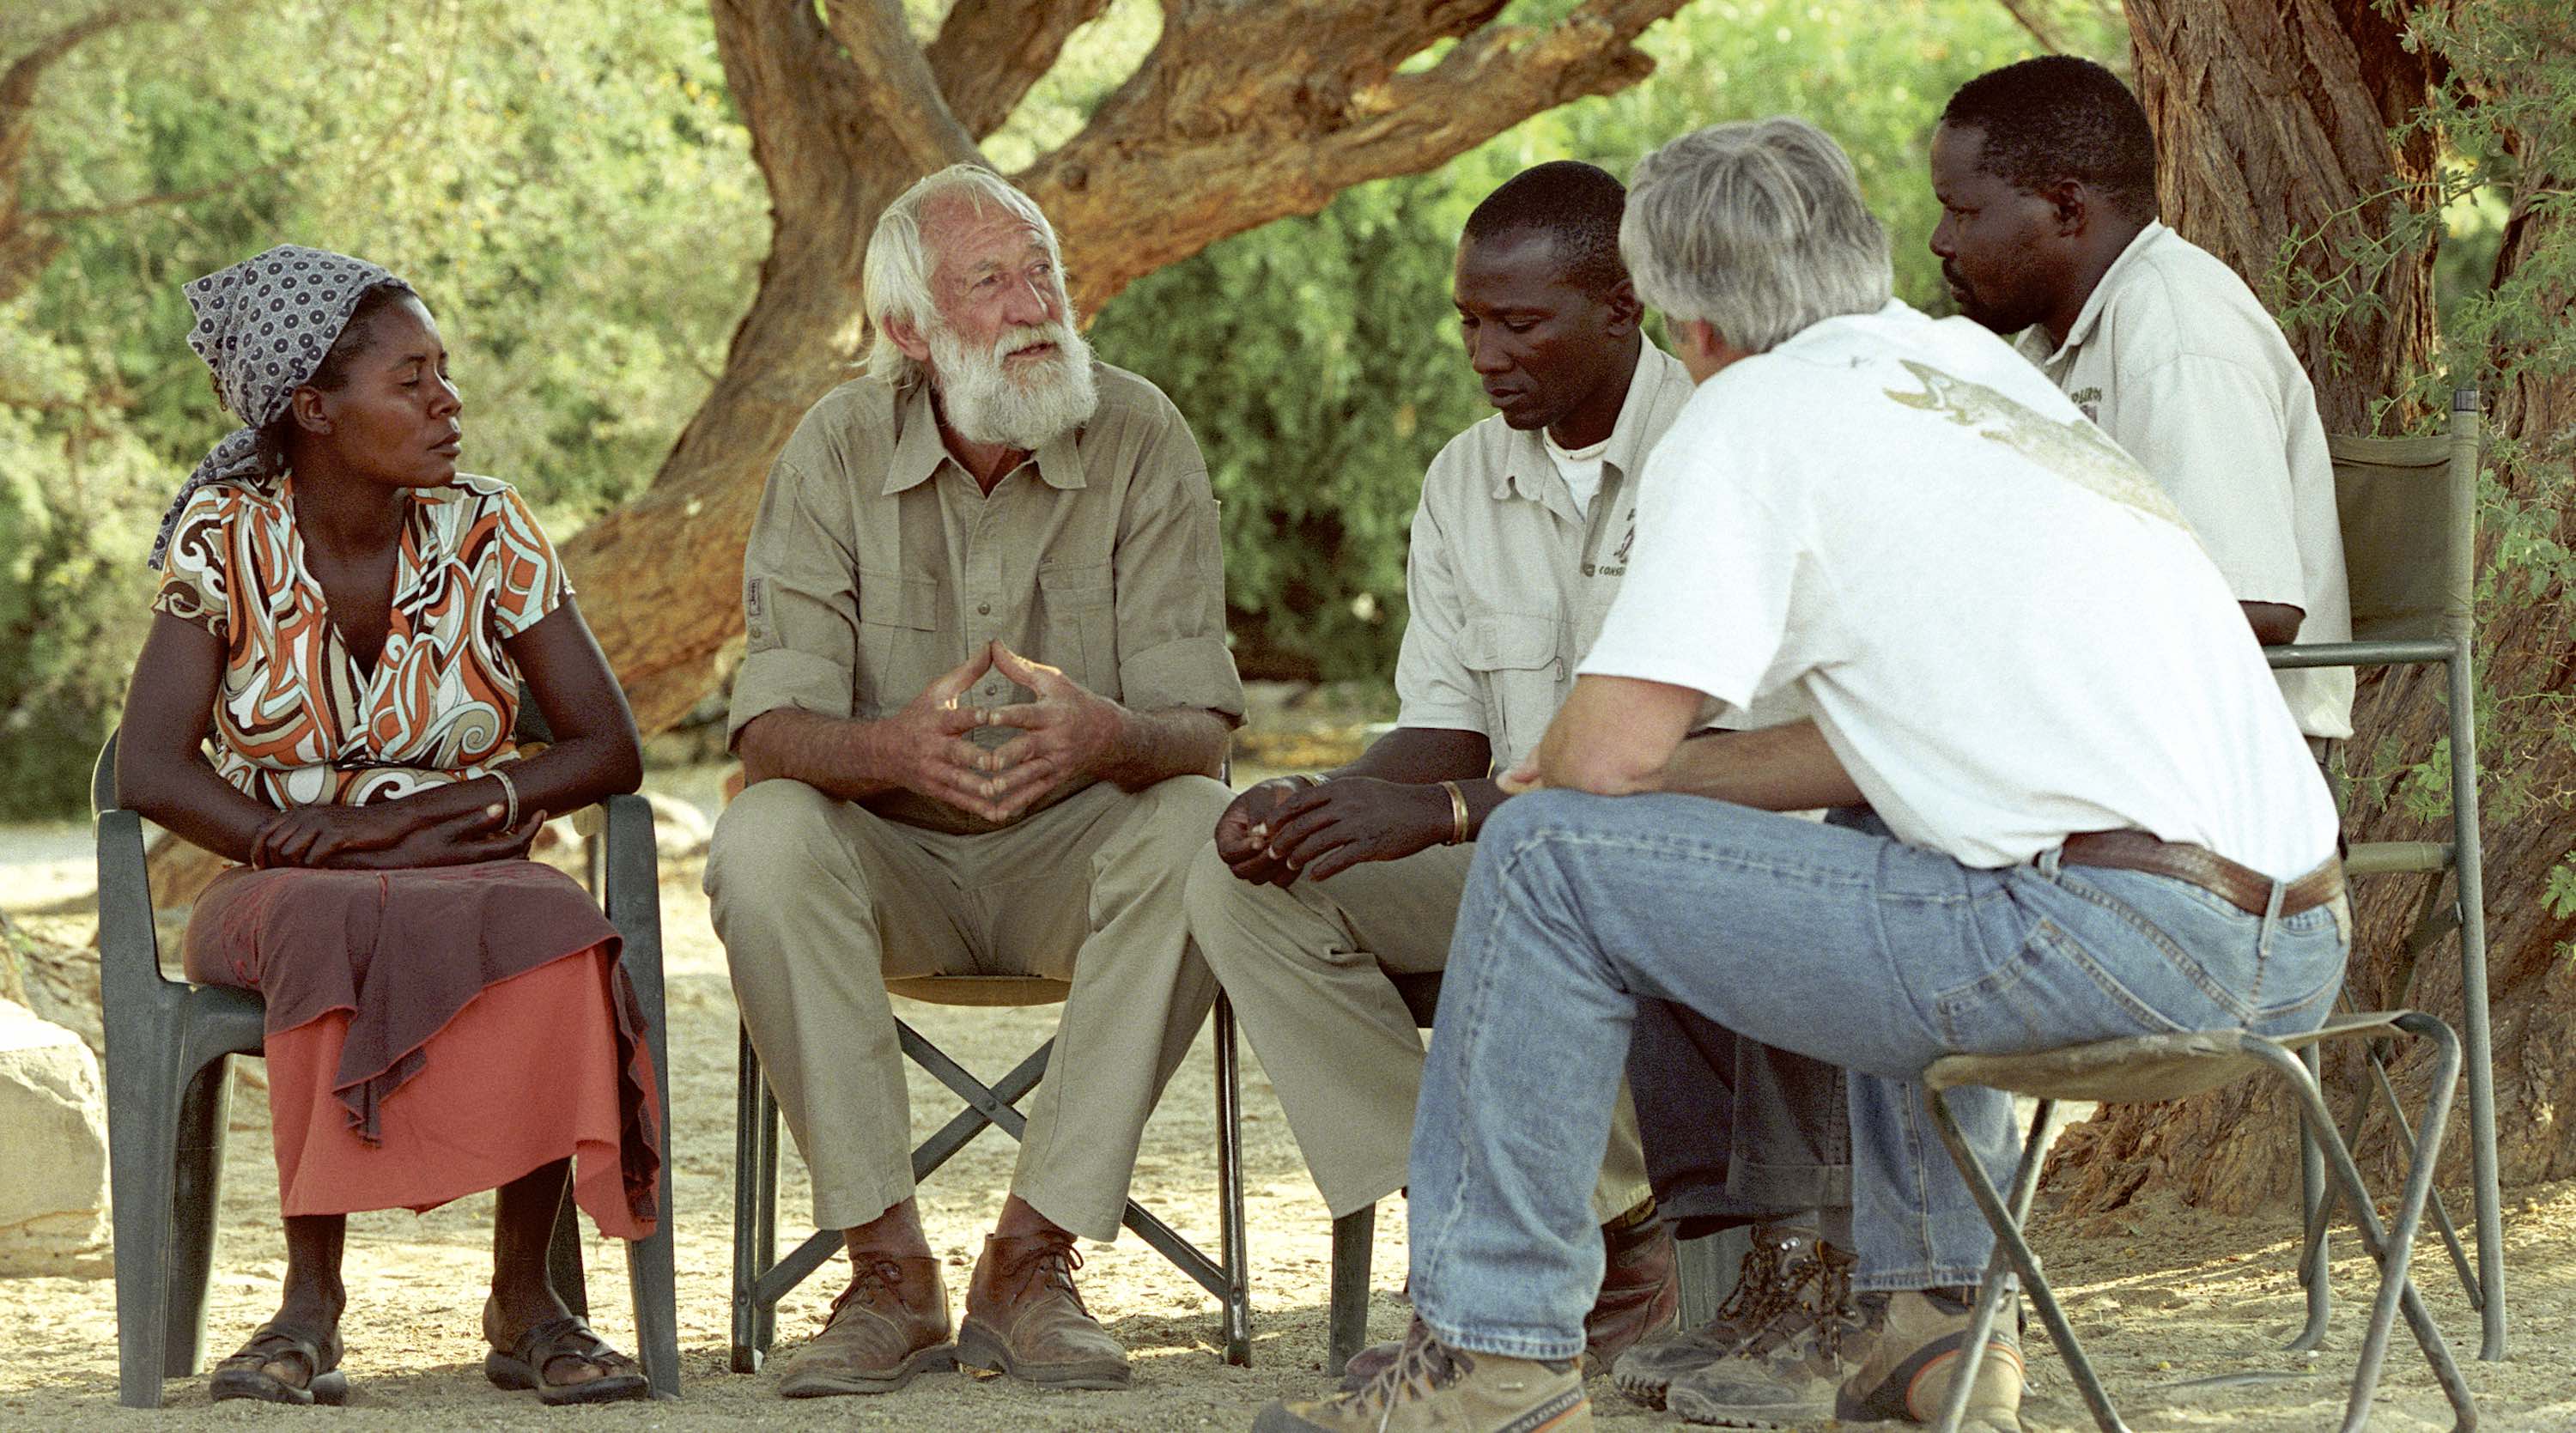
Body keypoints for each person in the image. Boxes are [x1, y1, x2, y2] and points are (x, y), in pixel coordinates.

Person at [1255, 118, 2346, 1433]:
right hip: (2292, 938)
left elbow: (1602, 762)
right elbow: (1863, 747)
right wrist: (1653, 783)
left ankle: (1494, 1358)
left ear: (1680, 322)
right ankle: (1938, 1330)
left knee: (1547, 862)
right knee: (1898, 813)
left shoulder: (1752, 413)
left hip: (2108, 937)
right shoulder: (1979, 378)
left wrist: (1555, 786)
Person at [702, 164, 1242, 1398]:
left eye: (1041, 267)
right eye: (989, 280)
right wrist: (889, 751)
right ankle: (889, 1272)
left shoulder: (1142, 430)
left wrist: (1107, 734)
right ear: (910, 331)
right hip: (887, 865)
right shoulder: (835, 446)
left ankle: (1030, 1259)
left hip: (1081, 862)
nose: (1032, 302)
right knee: (764, 837)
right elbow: (769, 728)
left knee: (1205, 829)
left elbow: (1203, 726)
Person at [1185, 160, 1715, 1381]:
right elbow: (1447, 723)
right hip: (1513, 846)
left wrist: (1443, 810)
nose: (1485, 352)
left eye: (1520, 322)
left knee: (1537, 864)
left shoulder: (1712, 452)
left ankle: (1541, 1271)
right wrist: (1319, 804)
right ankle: (1552, 1237)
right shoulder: (1464, 477)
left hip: (1675, 867)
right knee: (1239, 882)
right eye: (1470, 321)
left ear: (1623, 305)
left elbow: (1696, 754)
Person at [118, 246, 659, 1407]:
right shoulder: (226, 535)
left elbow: (606, 745)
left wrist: (467, 805)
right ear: (315, 407)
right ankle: (310, 1304)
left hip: (465, 860)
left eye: (444, 374)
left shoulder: (492, 530)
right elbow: (152, 765)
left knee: (557, 920)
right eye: (411, 379)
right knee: (323, 920)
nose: (446, 401)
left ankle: (532, 1302)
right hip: (281, 879)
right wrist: (289, 839)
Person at [1929, 54, 2354, 747]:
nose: (1941, 240)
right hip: (2102, 740)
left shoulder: (2179, 329)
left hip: (2216, 775)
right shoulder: (2056, 345)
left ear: (2067, 209)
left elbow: (2253, 605)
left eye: (1962, 211)